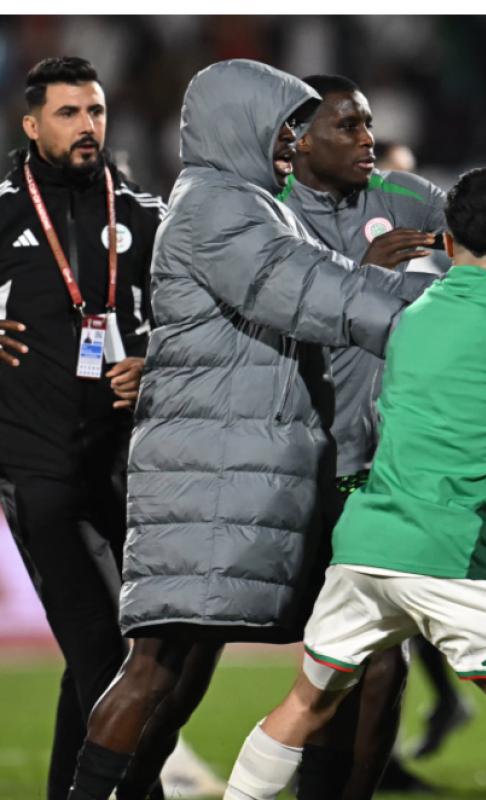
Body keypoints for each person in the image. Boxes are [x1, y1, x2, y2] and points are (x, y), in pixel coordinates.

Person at [65, 59, 433, 800]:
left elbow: (325, 283)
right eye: (284, 127)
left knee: (305, 661)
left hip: (233, 469)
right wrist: (460, 313)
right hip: (210, 473)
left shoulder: (248, 205)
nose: (292, 144)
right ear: (239, 125)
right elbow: (321, 294)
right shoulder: (220, 209)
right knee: (159, 669)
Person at [224, 166, 486, 800]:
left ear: (448, 238)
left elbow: (454, 415)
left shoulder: (413, 317)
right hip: (452, 552)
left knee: (307, 703)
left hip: (368, 549)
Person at [0, 55, 208, 800]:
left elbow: (194, 330)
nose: (87, 126)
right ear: (31, 125)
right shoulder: (2, 211)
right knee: (101, 652)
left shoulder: (146, 214)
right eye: (68, 113)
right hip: (37, 469)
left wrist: (153, 363)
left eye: (94, 112)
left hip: (124, 466)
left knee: (128, 656)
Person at [279, 72, 451, 796]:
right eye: (346, 126)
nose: (365, 138)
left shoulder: (408, 199)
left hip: (382, 471)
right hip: (290, 467)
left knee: (381, 657)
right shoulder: (267, 212)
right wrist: (358, 276)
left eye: (368, 123)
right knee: (320, 659)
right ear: (297, 141)